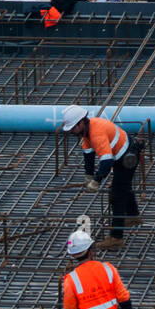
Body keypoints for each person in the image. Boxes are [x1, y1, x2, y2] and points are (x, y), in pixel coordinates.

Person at [61, 105, 140, 249]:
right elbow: (89, 154)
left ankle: (116, 238)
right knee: (124, 186)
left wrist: (97, 180)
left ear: (81, 122)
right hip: (121, 155)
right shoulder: (86, 133)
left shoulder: (96, 133)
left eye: (73, 128)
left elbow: (107, 161)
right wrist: (88, 175)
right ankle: (133, 216)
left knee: (117, 195)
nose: (72, 131)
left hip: (127, 157)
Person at [62, 230, 133, 309]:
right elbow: (124, 298)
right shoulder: (108, 270)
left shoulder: (71, 280)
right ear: (91, 251)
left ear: (73, 255)